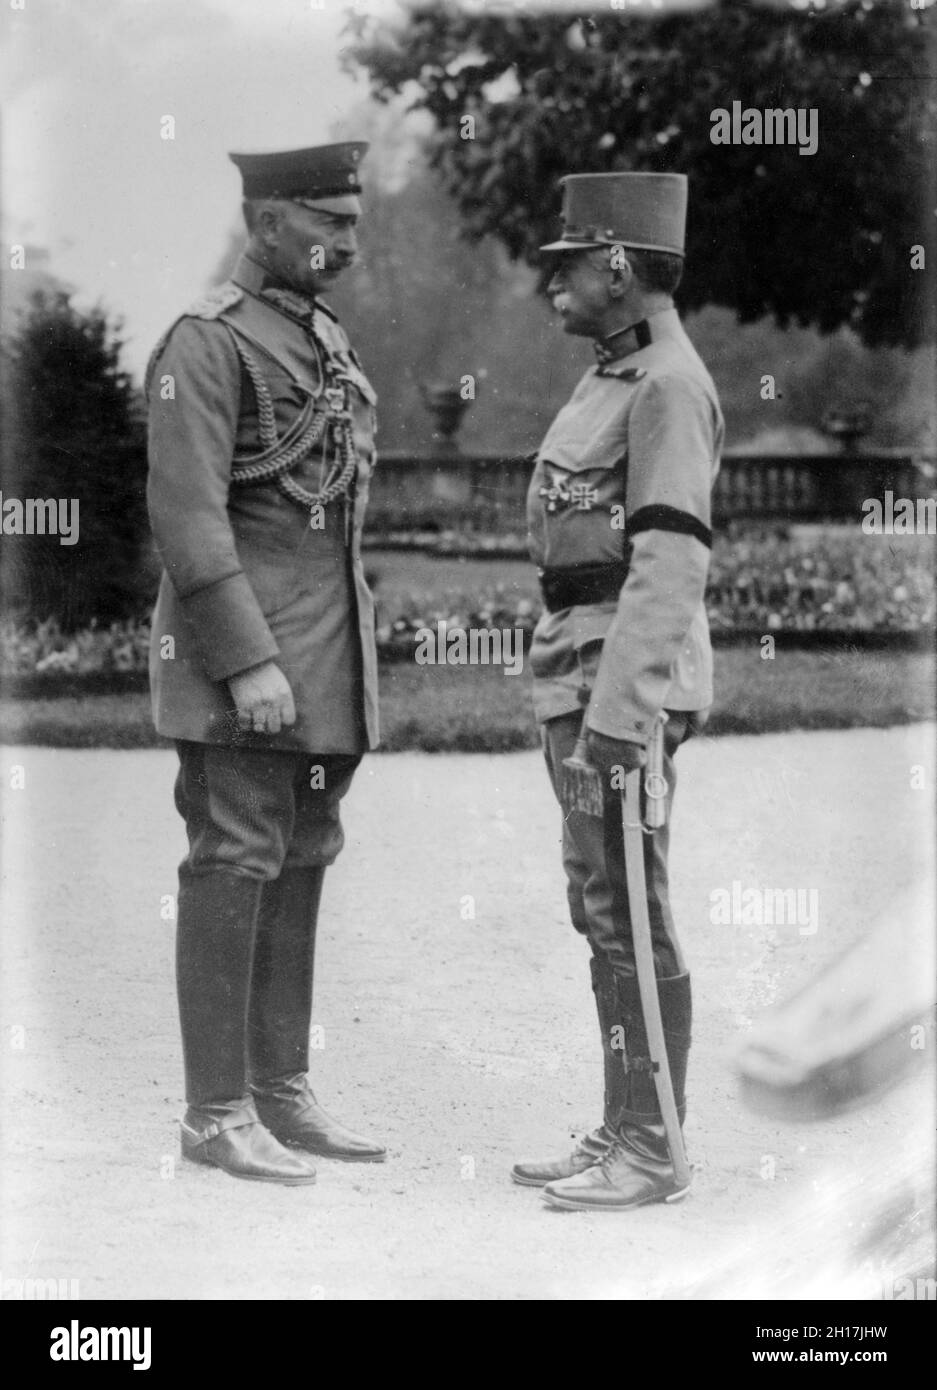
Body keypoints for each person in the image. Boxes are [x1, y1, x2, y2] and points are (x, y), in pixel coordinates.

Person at [145, 142, 386, 1184]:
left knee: (302, 855)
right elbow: (190, 517)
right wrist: (247, 660)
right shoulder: (206, 344)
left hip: (326, 664)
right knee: (234, 856)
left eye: (352, 220)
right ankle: (214, 1110)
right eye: (325, 219)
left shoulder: (321, 339)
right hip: (247, 667)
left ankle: (280, 1090)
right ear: (267, 221)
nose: (345, 238)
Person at [512, 171, 724, 1211]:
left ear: (616, 267)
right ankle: (623, 1125)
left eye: (565, 267)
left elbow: (670, 563)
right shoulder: (615, 376)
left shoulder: (668, 385)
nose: (550, 285)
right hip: (579, 661)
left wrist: (619, 715)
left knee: (630, 902)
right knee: (601, 900)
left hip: (615, 676)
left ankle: (654, 1145)